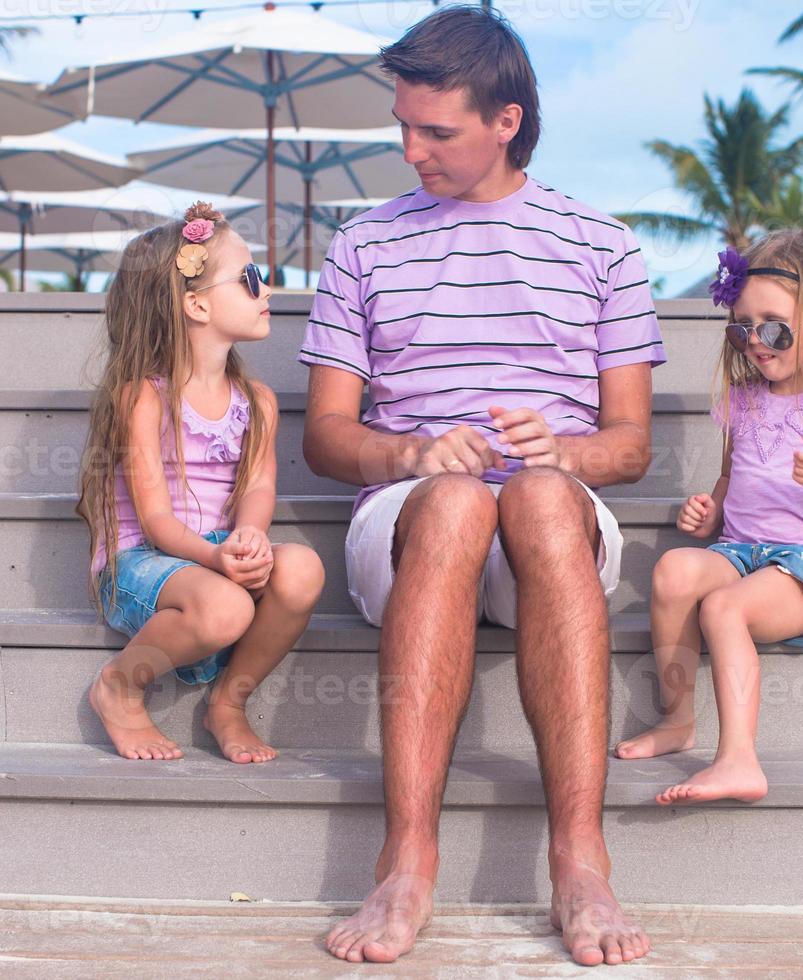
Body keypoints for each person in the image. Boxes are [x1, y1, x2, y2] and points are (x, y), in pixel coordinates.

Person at [300, 6, 665, 967]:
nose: (409, 149)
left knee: (538, 494)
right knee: (462, 500)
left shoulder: (603, 244)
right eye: (403, 126)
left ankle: (580, 857)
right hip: (413, 520)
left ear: (506, 121)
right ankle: (407, 856)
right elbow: (326, 438)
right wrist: (410, 455)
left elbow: (630, 447)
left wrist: (566, 452)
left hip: (552, 525)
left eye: (436, 131)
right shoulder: (362, 245)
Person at [615, 229, 803, 804]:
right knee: (672, 572)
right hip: (740, 550)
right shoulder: (741, 401)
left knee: (723, 607)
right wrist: (707, 511)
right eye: (742, 327)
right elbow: (730, 480)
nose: (755, 342)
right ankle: (676, 718)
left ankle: (739, 759)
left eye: (772, 326)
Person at [77, 202, 325, 764]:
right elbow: (158, 522)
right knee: (226, 609)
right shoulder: (144, 396)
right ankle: (118, 687)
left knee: (303, 568)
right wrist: (215, 564)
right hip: (141, 559)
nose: (267, 290)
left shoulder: (256, 401)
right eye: (250, 278)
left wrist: (250, 538)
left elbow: (259, 488)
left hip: (212, 555)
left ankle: (227, 704)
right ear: (197, 303)